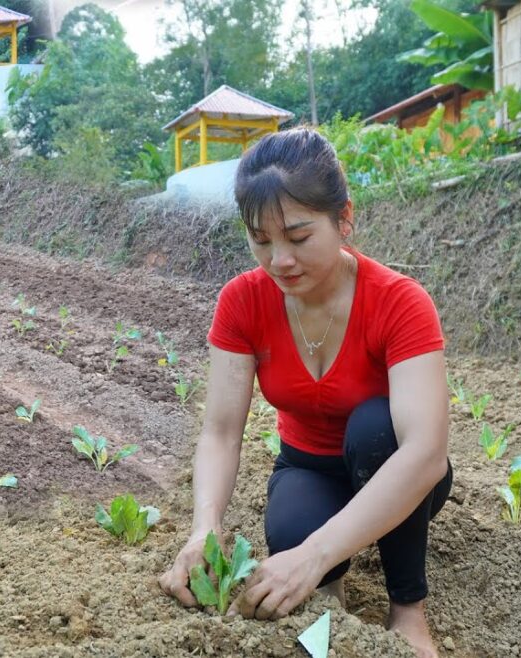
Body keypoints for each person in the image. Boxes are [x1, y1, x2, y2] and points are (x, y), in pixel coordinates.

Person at [158, 128, 452, 658]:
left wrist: (315, 555)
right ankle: (329, 587)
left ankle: (408, 606)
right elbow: (221, 433)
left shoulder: (400, 302)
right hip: (309, 465)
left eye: (297, 237)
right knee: (292, 532)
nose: (278, 261)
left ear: (344, 219)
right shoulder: (243, 302)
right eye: (261, 240)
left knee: (374, 430)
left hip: (394, 465)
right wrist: (205, 528)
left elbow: (425, 454)